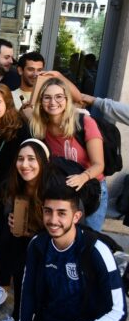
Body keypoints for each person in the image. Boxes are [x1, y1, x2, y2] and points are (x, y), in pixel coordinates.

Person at [12, 180, 126, 321]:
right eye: (48, 211)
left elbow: (119, 311)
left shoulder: (96, 250)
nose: (53, 220)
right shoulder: (38, 245)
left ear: (76, 217)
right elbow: (28, 291)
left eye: (61, 213)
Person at [0, 139, 50, 321]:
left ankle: (24, 319)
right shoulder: (13, 185)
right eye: (21, 159)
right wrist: (11, 219)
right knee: (10, 244)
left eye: (31, 159)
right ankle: (19, 315)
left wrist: (32, 233)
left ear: (42, 161)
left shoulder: (54, 189)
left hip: (52, 247)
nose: (25, 164)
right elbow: (9, 214)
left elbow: (61, 232)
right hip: (25, 243)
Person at [30, 77, 106, 231]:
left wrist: (83, 177)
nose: (53, 102)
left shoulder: (84, 122)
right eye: (47, 97)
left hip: (91, 189)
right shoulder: (41, 126)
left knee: (88, 238)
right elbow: (28, 107)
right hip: (64, 191)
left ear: (67, 99)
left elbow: (99, 164)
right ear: (41, 101)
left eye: (59, 97)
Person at [0, 83, 30, 308]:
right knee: (0, 237)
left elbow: (21, 167)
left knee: (8, 239)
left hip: (13, 194)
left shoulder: (19, 129)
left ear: (7, 104)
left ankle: (5, 287)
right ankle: (1, 283)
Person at [11, 52, 45, 120]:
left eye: (39, 70)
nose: (35, 74)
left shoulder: (46, 97)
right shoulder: (9, 96)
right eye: (31, 69)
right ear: (20, 70)